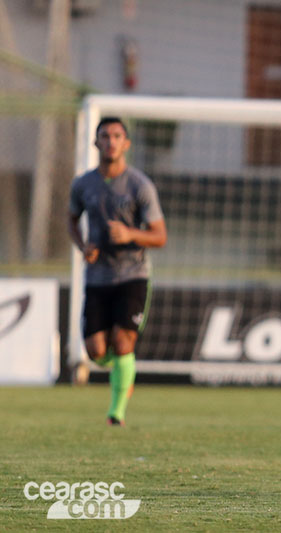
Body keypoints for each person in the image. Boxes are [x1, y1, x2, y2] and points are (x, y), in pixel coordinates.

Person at [67, 116, 167, 426]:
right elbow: (71, 220)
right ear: (96, 142)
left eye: (117, 136)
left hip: (132, 275)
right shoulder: (83, 184)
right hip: (98, 277)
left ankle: (116, 413)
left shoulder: (140, 185)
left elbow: (160, 236)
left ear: (126, 144)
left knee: (123, 342)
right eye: (105, 136)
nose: (111, 141)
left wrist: (130, 234)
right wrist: (83, 246)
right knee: (96, 351)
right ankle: (124, 370)